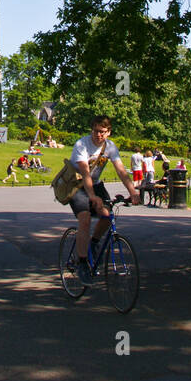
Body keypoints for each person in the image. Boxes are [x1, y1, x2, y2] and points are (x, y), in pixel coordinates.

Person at [63, 116, 139, 284]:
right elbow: (85, 172)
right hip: (76, 185)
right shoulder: (82, 145)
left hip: (95, 185)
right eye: (96, 131)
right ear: (92, 130)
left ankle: (94, 244)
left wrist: (133, 192)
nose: (99, 135)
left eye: (103, 132)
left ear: (108, 132)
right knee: (85, 218)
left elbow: (121, 171)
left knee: (107, 215)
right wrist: (92, 196)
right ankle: (82, 263)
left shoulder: (110, 147)